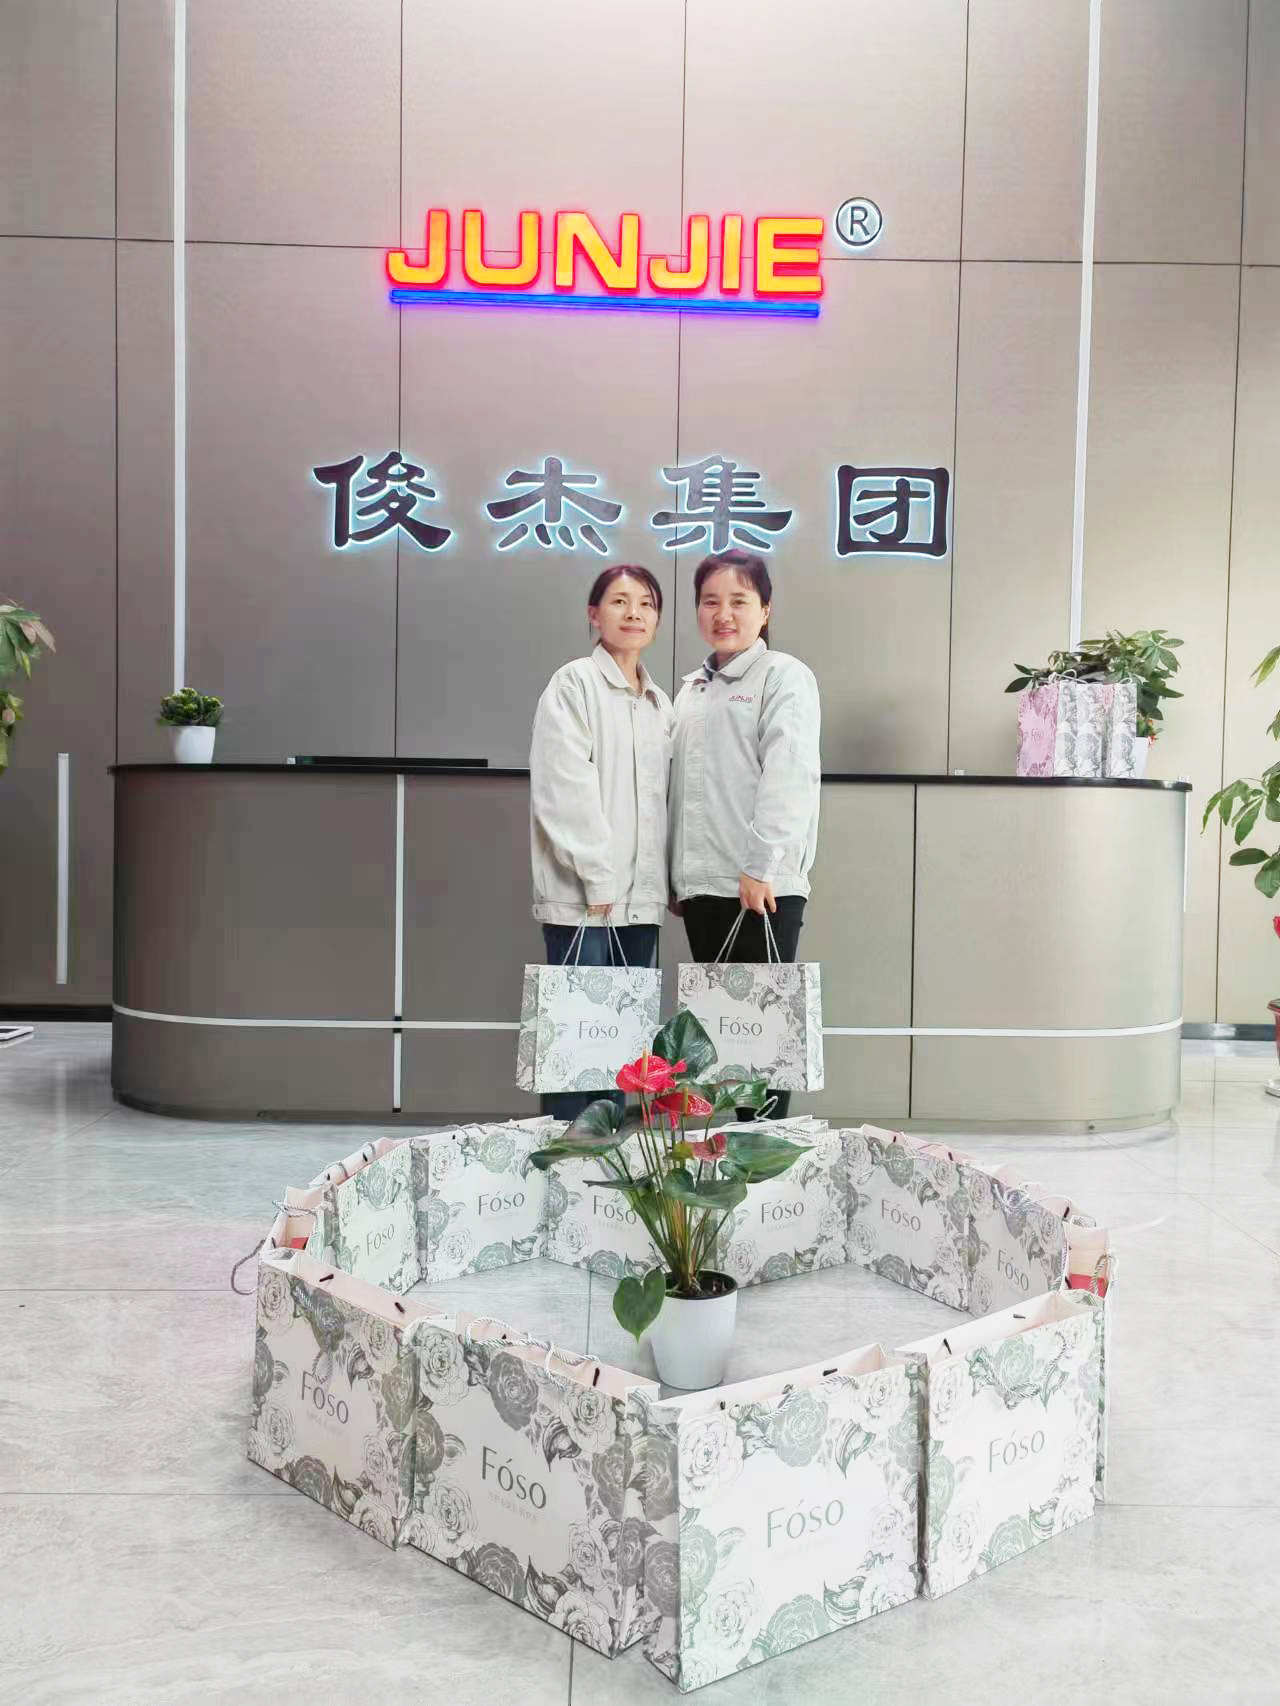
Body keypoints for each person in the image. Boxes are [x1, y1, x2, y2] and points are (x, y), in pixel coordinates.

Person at [668, 548, 821, 1120]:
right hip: (703, 887)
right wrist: (677, 875)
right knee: (721, 1039)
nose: (723, 614)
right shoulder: (691, 690)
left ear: (765, 610)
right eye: (710, 601)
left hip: (760, 886)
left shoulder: (783, 676)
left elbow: (789, 775)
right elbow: (679, 791)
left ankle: (763, 1153)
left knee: (763, 1039)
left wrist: (760, 866)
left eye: (739, 600)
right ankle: (728, 1156)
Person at [529, 565, 672, 1121]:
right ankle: (566, 1153)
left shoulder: (660, 704)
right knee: (575, 1042)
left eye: (646, 604)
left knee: (620, 1045)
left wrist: (665, 883)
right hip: (584, 900)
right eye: (619, 601)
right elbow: (564, 788)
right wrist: (597, 875)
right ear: (594, 614)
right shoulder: (574, 685)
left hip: (639, 901)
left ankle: (608, 1159)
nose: (634, 613)